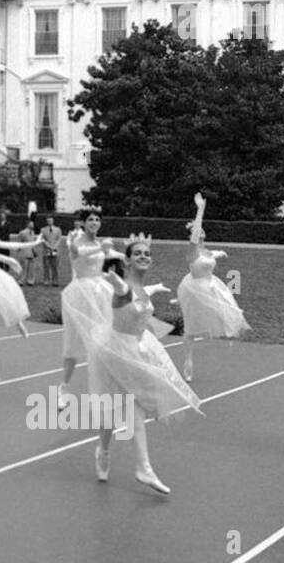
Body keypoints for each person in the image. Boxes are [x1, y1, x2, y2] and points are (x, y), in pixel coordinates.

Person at [87, 235, 203, 494]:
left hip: (139, 349)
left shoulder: (140, 288)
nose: (144, 256)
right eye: (137, 253)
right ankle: (104, 451)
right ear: (126, 260)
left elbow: (140, 294)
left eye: (147, 254)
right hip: (115, 351)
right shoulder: (122, 288)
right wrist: (114, 278)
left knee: (135, 409)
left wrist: (156, 288)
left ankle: (142, 467)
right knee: (112, 411)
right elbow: (123, 292)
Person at [176, 192, 249, 381]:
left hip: (211, 284)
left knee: (229, 307)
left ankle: (230, 332)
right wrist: (200, 209)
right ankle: (188, 361)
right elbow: (197, 246)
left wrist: (219, 253)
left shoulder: (206, 251)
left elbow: (210, 255)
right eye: (196, 231)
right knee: (190, 329)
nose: (199, 232)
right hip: (194, 288)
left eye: (200, 230)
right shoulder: (191, 251)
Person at [59, 207, 119, 409]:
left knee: (104, 341)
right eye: (91, 219)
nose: (94, 222)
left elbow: (114, 255)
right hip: (80, 294)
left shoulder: (99, 243)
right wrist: (101, 248)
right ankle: (64, 387)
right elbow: (78, 253)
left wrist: (131, 250)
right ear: (83, 223)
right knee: (73, 344)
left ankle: (103, 391)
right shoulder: (76, 242)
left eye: (97, 219)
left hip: (100, 291)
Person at [38, 216, 62, 286]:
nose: (49, 222)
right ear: (46, 221)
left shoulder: (58, 229)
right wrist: (48, 246)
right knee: (46, 266)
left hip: (55, 250)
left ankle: (55, 281)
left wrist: (55, 246)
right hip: (46, 250)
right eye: (48, 221)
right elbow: (42, 239)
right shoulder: (43, 230)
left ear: (53, 221)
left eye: (51, 221)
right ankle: (46, 281)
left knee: (55, 266)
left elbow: (59, 239)